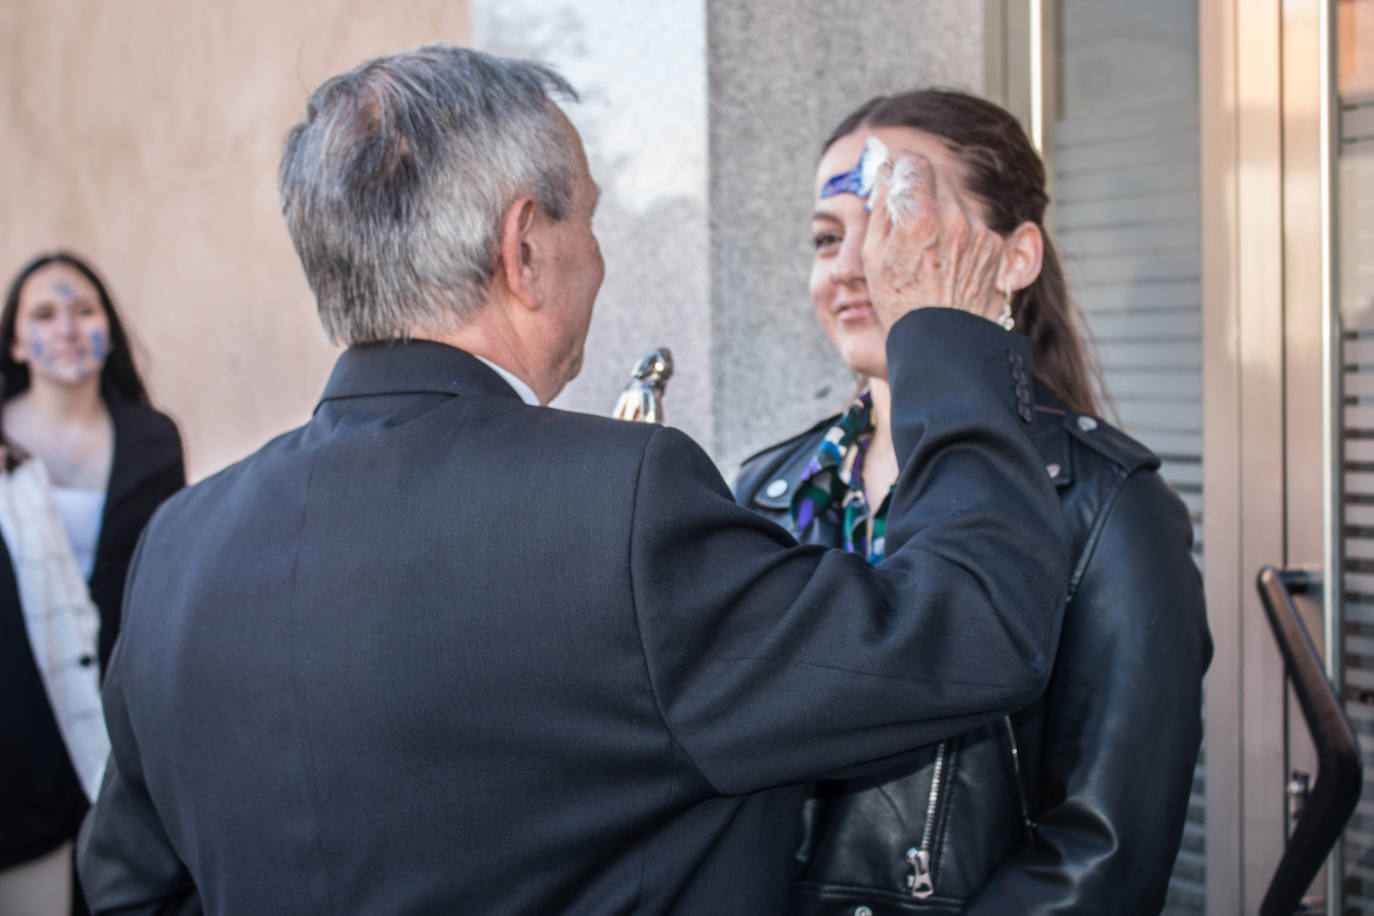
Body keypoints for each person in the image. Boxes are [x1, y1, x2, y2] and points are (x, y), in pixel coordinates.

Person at [77, 47, 1071, 915]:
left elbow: (127, 885)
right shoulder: (619, 510)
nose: (599, 258)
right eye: (590, 220)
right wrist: (947, 331)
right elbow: (976, 628)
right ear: (524, 248)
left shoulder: (179, 546)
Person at [734, 89, 1212, 913]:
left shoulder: (1109, 508)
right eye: (826, 238)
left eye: (897, 221)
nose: (854, 265)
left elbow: (1103, 857)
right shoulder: (766, 492)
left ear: (1016, 257)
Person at [0, 252, 184, 915]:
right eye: (44, 314)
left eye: (84, 310)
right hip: (18, 716)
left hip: (120, 703)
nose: (69, 328)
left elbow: (166, 576)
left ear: (108, 325)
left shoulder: (154, 440)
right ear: (16, 341)